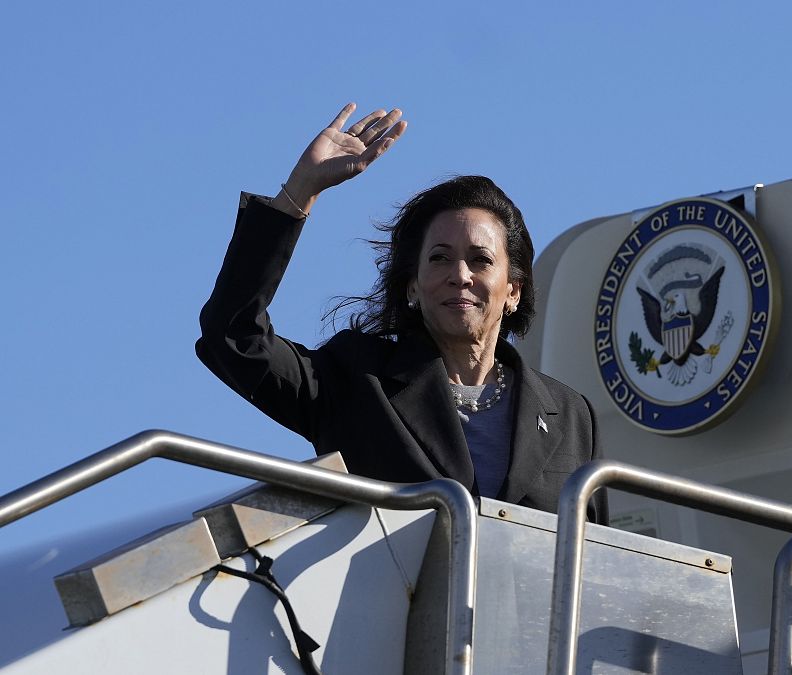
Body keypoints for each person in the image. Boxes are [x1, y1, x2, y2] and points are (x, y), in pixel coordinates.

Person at [197, 103, 605, 522]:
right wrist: (301, 189)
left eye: (480, 260)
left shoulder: (571, 415)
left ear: (514, 290)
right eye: (440, 258)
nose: (459, 275)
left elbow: (596, 561)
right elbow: (232, 335)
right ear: (412, 285)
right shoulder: (355, 382)